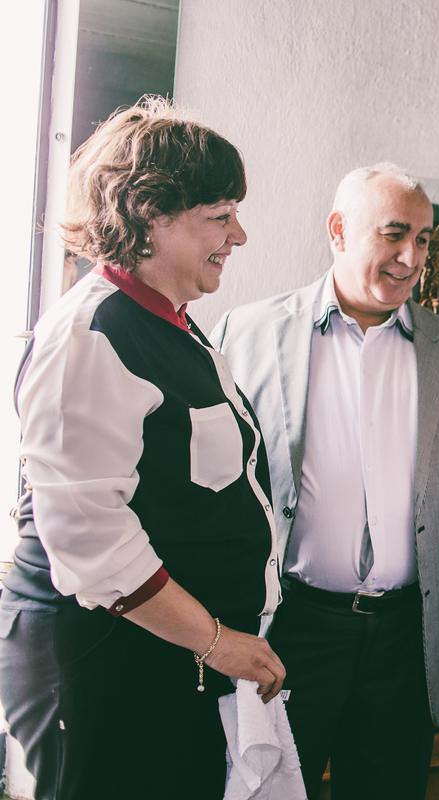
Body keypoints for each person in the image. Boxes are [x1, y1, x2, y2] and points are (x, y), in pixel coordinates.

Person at [0, 98, 286, 800]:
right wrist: (218, 640)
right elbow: (92, 539)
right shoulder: (93, 334)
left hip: (164, 658)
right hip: (103, 665)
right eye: (220, 216)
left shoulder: (172, 325)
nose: (239, 234)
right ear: (150, 216)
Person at [211, 162, 439, 799]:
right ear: (339, 230)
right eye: (394, 234)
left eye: (423, 239)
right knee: (273, 790)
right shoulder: (246, 332)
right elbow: (217, 487)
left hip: (409, 634)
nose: (410, 256)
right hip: (290, 627)